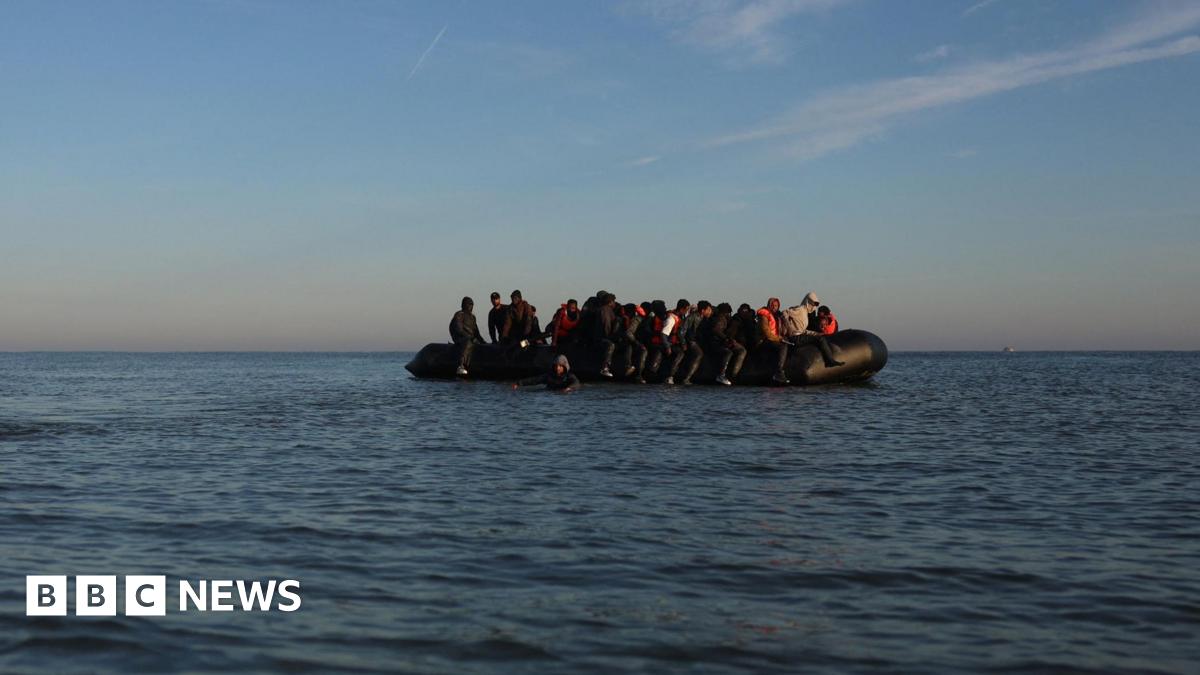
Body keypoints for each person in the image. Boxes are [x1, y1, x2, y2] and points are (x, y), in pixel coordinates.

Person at [781, 292, 844, 368]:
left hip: (800, 335)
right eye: (813, 304)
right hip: (795, 338)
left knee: (819, 337)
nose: (814, 307)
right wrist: (788, 325)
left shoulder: (805, 313)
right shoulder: (800, 310)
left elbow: (803, 330)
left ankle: (828, 360)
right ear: (808, 302)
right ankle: (830, 361)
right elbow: (785, 312)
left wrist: (816, 333)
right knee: (820, 339)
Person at [647, 299, 689, 384]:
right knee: (680, 353)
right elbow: (663, 334)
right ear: (681, 309)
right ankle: (670, 375)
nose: (686, 312)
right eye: (686, 310)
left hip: (666, 342)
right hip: (661, 343)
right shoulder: (671, 319)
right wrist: (668, 347)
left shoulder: (675, 317)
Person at [704, 302, 746, 385]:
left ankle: (730, 375)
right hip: (716, 344)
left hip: (719, 342)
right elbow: (716, 330)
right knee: (735, 351)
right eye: (729, 313)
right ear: (726, 313)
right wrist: (727, 339)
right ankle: (726, 375)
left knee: (739, 349)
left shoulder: (720, 319)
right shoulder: (721, 319)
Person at [448, 296, 485, 376]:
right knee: (468, 342)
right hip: (460, 337)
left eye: (472, 305)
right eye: (469, 304)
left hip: (470, 338)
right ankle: (461, 365)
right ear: (464, 305)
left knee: (479, 343)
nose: (471, 307)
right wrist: (469, 337)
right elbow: (458, 329)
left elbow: (476, 332)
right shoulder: (459, 315)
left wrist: (483, 341)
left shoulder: (472, 317)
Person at [757, 297, 790, 384]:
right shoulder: (763, 316)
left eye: (776, 306)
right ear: (769, 305)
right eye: (773, 305)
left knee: (788, 343)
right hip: (764, 340)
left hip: (774, 339)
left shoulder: (778, 316)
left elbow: (783, 330)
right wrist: (779, 339)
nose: (774, 307)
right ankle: (779, 372)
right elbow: (766, 333)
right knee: (783, 346)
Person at [679, 300, 711, 385]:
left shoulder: (704, 319)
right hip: (691, 341)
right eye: (708, 310)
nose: (709, 312)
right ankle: (686, 378)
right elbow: (682, 331)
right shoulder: (691, 317)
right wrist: (683, 343)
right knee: (699, 354)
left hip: (697, 341)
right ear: (703, 310)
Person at [591, 292, 621, 378]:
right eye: (613, 301)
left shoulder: (606, 310)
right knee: (610, 345)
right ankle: (605, 368)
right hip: (600, 338)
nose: (614, 303)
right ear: (610, 302)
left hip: (602, 336)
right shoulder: (605, 310)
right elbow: (606, 324)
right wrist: (609, 337)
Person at [513, 354, 580, 392]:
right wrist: (518, 383)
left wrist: (569, 389)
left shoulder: (569, 376)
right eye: (556, 366)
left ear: (564, 367)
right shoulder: (549, 376)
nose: (557, 368)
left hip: (564, 392)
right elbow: (534, 380)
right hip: (549, 394)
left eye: (560, 366)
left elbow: (576, 383)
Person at [618, 303, 648, 382]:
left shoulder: (638, 319)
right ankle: (638, 374)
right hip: (628, 342)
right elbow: (628, 333)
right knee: (641, 350)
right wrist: (637, 343)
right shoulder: (637, 319)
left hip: (634, 341)